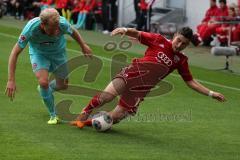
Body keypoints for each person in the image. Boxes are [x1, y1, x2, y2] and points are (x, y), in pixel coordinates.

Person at [71, 27, 226, 129]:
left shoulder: (182, 60)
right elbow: (138, 34)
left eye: (184, 44)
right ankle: (85, 112)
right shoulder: (158, 40)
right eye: (178, 40)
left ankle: (88, 122)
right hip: (131, 73)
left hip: (140, 89)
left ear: (187, 45)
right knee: (106, 97)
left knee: (117, 117)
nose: (179, 45)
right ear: (174, 36)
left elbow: (190, 81)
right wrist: (124, 30)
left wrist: (211, 93)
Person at [5, 8, 92, 124]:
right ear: (42, 24)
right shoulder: (30, 28)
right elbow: (14, 53)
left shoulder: (62, 23)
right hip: (39, 54)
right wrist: (11, 80)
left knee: (63, 85)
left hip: (58, 54)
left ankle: (45, 91)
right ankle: (53, 115)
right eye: (52, 29)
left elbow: (73, 32)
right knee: (43, 82)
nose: (56, 32)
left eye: (57, 29)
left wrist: (83, 45)